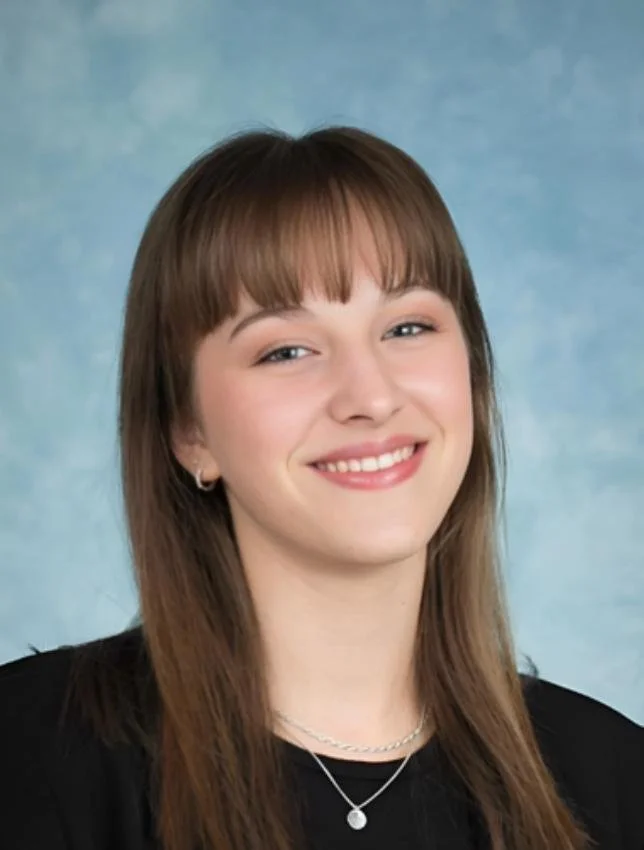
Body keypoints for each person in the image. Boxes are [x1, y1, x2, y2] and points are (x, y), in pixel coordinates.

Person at [0, 126, 642, 850]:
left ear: (473, 373)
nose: (369, 395)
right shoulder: (30, 755)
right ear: (190, 433)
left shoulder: (614, 782)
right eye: (287, 349)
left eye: (406, 327)